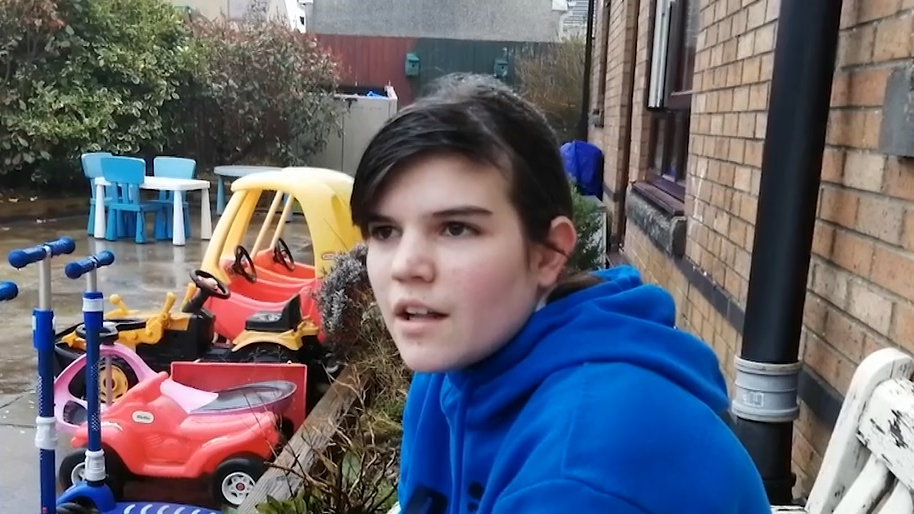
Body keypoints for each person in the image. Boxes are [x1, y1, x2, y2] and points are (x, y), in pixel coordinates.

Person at [349, 73, 770, 514]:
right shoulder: (448, 371)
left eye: (456, 228)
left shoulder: (582, 473)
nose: (404, 266)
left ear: (549, 254)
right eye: (385, 231)